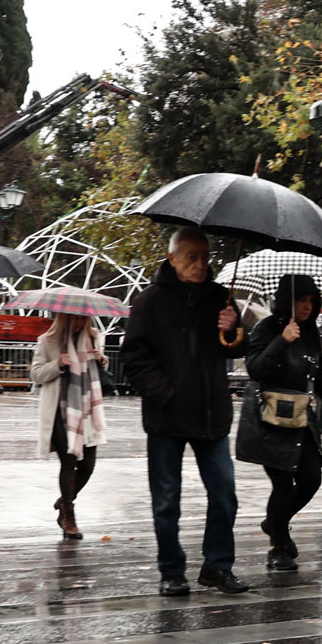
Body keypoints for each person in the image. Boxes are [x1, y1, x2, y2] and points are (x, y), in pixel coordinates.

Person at [123, 227, 250, 597]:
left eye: (204, 257)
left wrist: (234, 329)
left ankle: (217, 565)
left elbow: (235, 348)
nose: (200, 264)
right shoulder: (150, 301)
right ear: (172, 258)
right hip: (167, 418)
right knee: (167, 500)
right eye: (191, 256)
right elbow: (134, 357)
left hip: (212, 417)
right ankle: (171, 571)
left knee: (225, 494)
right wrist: (165, 393)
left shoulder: (219, 299)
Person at [240, 274, 322, 570]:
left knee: (310, 479)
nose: (306, 306)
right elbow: (255, 369)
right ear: (287, 300)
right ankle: (278, 547)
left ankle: (275, 522)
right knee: (282, 485)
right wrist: (281, 341)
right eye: (301, 300)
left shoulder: (311, 332)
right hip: (270, 420)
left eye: (311, 301)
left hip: (300, 418)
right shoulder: (267, 328)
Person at [30, 312, 107, 539]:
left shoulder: (93, 338)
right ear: (64, 318)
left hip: (87, 409)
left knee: (88, 465)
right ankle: (68, 518)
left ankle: (64, 501)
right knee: (69, 462)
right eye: (75, 318)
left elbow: (98, 367)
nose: (80, 323)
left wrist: (102, 358)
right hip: (59, 411)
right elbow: (36, 374)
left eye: (84, 319)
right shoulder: (47, 341)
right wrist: (57, 364)